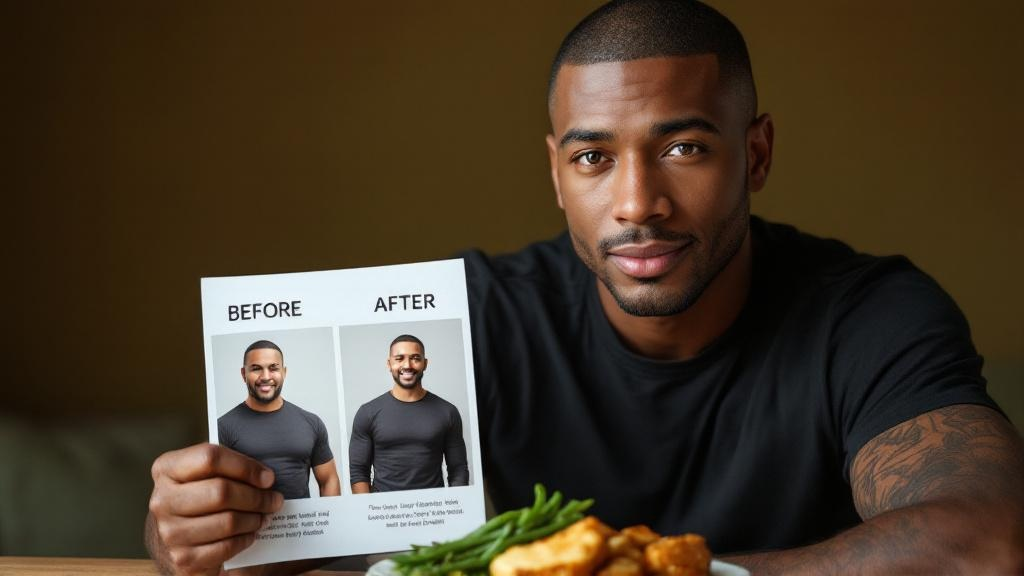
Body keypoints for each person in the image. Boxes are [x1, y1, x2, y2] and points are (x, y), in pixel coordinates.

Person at [145, 1, 1024, 574]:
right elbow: (254, 546)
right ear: (558, 175)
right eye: (594, 158)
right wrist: (185, 531)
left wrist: (653, 570)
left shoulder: (870, 314)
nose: (638, 203)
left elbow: (987, 544)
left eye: (684, 148)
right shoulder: (471, 318)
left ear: (754, 153)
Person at [217, 340, 341, 500]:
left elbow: (328, 479)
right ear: (243, 374)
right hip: (251, 524)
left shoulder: (311, 422)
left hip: (303, 524)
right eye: (256, 369)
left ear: (284, 372)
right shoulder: (223, 427)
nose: (265, 377)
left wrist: (329, 521)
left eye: (273, 368)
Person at [348, 334, 470, 493]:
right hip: (383, 511)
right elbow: (358, 472)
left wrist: (454, 507)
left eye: (415, 358)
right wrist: (368, 511)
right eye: (399, 358)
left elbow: (458, 468)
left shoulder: (447, 411)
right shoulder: (368, 412)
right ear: (389, 364)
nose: (407, 365)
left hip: (434, 510)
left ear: (425, 364)